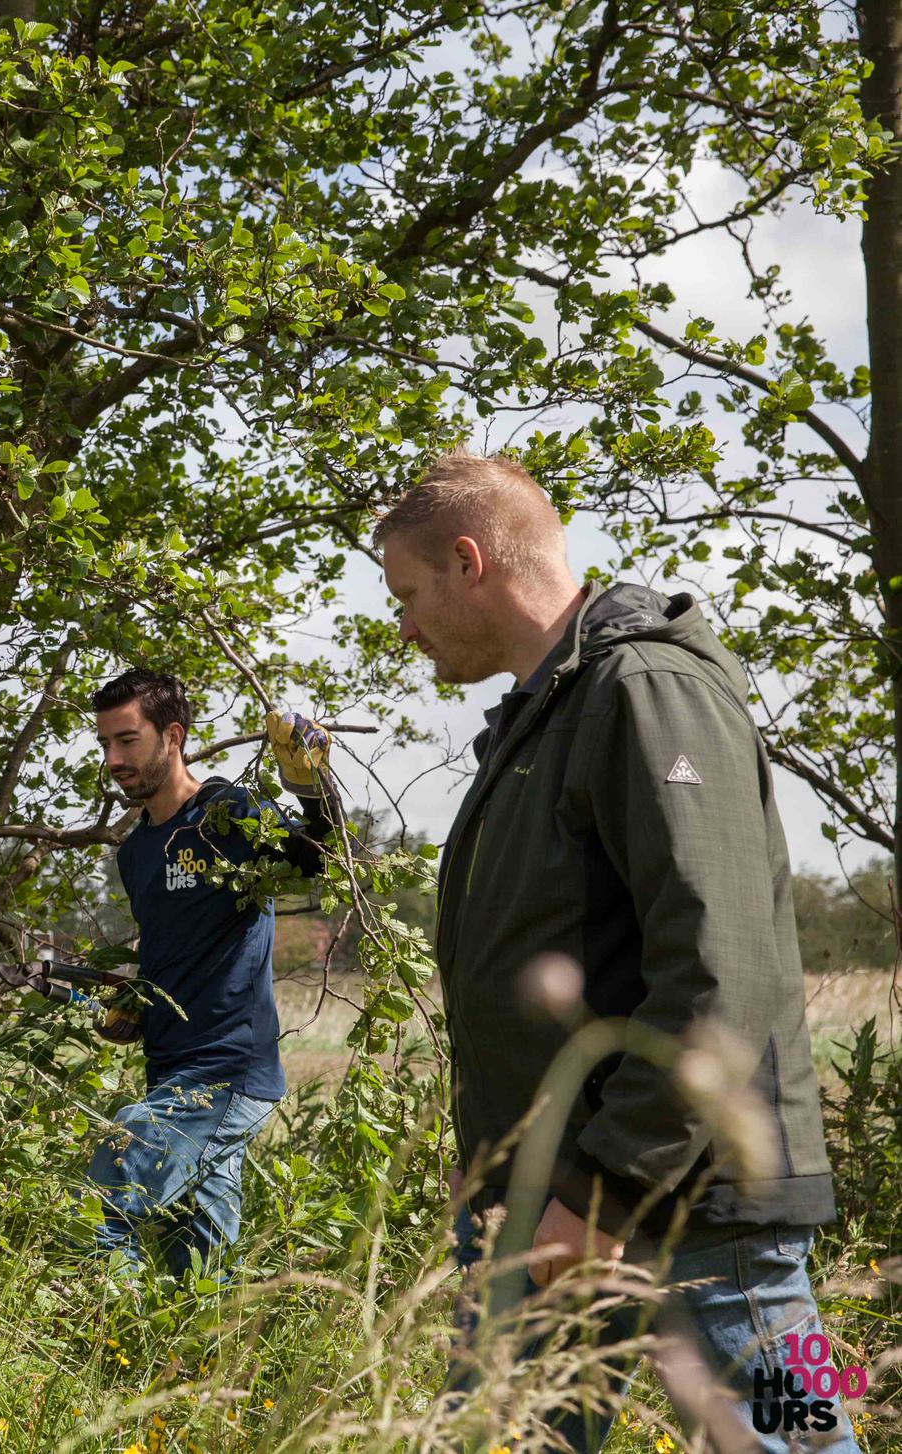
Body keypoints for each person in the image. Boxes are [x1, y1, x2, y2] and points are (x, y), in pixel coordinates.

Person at [376, 447, 853, 1452]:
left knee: (803, 1438)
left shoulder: (649, 686)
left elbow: (723, 964)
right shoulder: (548, 709)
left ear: (471, 560)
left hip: (702, 1215)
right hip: (544, 1210)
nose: (404, 625)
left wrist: (605, 1192)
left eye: (409, 594)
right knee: (494, 1438)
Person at [86, 667, 341, 1277]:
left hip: (226, 1069)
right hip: (170, 1069)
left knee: (120, 1160)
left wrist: (312, 787)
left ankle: (84, 1332)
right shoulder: (135, 851)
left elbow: (319, 859)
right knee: (197, 1264)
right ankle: (203, 1360)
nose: (114, 759)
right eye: (105, 745)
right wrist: (138, 1005)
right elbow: (169, 945)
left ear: (172, 737)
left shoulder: (225, 812)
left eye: (128, 740)